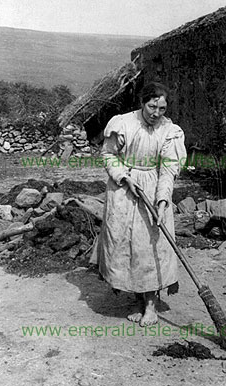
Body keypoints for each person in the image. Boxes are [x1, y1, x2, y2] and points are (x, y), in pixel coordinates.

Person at [90, 82, 186, 326]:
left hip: (152, 188)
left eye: (161, 109)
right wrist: (124, 177)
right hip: (123, 189)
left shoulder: (169, 131)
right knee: (126, 244)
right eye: (152, 106)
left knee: (150, 245)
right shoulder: (123, 123)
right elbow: (108, 155)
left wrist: (163, 198)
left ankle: (151, 305)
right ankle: (136, 299)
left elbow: (168, 167)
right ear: (143, 103)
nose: (156, 113)